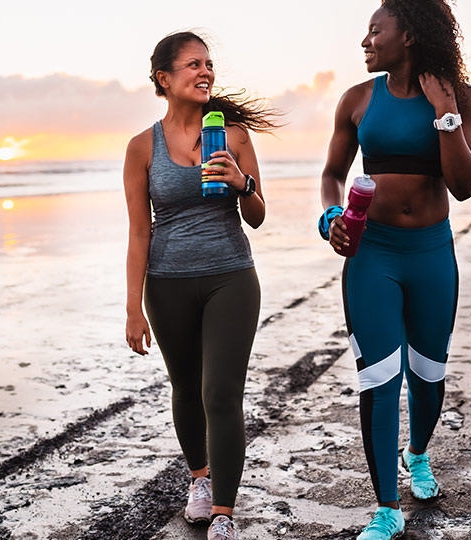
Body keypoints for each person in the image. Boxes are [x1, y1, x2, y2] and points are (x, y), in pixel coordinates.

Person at [319, 2, 471, 539]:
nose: (365, 41)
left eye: (375, 30)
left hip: (432, 253)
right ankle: (385, 509)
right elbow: (331, 174)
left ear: (408, 34)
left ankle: (418, 454)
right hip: (373, 254)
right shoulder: (358, 101)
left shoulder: (461, 100)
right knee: (379, 378)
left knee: (428, 377)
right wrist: (330, 218)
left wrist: (445, 113)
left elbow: (463, 184)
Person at [123, 31, 278, 540]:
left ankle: (224, 513)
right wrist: (132, 309)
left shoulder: (233, 137)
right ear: (165, 79)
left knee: (221, 393)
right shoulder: (141, 147)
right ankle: (199, 481)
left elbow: (256, 216)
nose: (205, 72)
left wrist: (243, 183)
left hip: (231, 276)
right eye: (193, 64)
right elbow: (139, 231)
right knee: (186, 387)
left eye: (209, 64)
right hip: (166, 284)